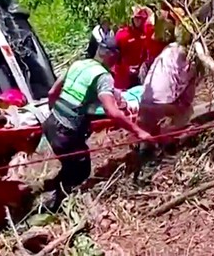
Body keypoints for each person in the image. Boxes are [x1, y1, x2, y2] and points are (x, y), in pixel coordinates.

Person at [42, 31, 152, 210]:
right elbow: (112, 112)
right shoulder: (103, 77)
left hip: (51, 124)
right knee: (80, 171)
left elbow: (52, 93)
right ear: (113, 56)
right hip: (66, 132)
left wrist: (57, 114)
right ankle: (52, 206)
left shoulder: (78, 64)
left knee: (70, 165)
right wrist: (139, 131)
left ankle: (50, 189)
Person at [138, 18, 198, 141]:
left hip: (143, 102)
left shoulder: (165, 52)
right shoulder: (185, 54)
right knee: (186, 109)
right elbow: (185, 85)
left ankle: (150, 141)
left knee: (152, 117)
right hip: (160, 104)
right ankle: (171, 137)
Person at [113, 8, 154, 89]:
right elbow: (116, 56)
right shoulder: (123, 35)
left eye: (141, 19)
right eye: (136, 18)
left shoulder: (148, 33)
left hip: (142, 72)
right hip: (124, 75)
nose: (139, 21)